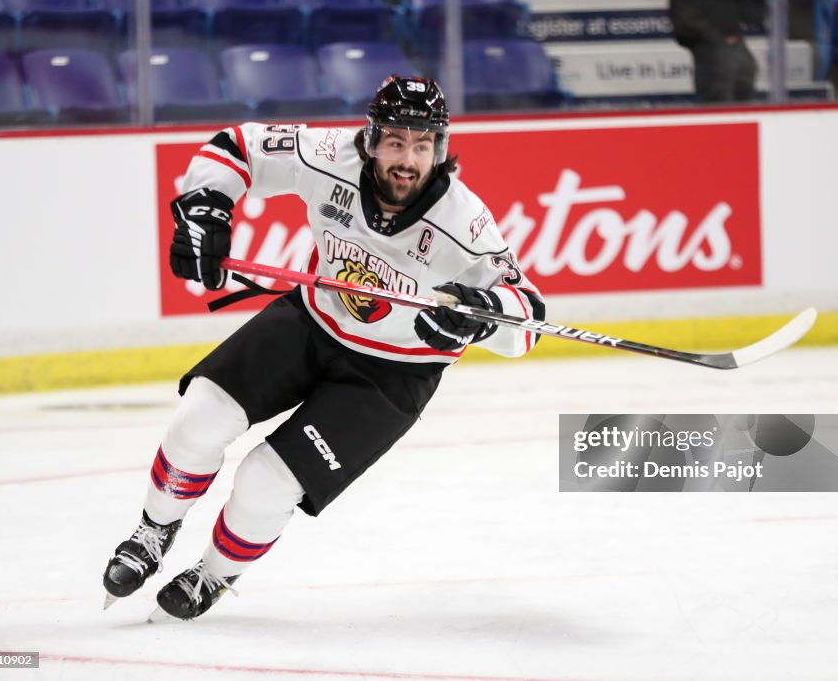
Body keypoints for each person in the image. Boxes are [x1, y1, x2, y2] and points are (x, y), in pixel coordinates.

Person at [101, 75, 546, 621]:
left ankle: (213, 575)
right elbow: (236, 147)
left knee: (265, 483)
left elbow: (526, 318)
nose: (409, 159)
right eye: (396, 141)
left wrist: (476, 317)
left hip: (393, 374)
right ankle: (153, 531)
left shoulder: (464, 222)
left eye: (423, 144)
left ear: (441, 148)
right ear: (371, 137)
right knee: (199, 418)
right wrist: (206, 205)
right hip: (312, 321)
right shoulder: (327, 155)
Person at [669, 0, 766, 103]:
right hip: (709, 51)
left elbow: (754, 16)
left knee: (744, 81)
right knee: (718, 97)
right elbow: (684, 21)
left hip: (735, 45)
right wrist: (718, 39)